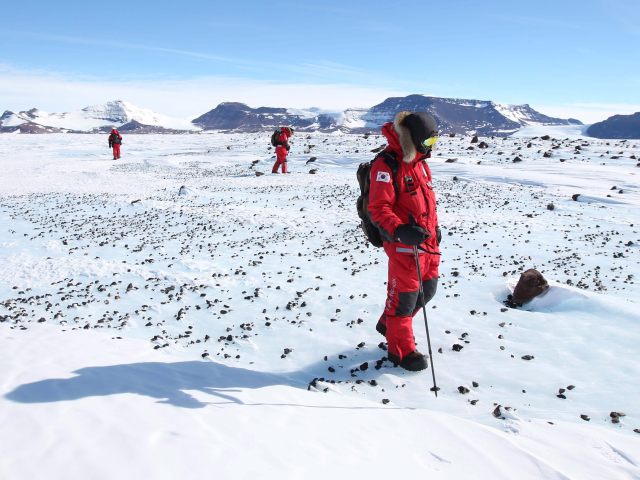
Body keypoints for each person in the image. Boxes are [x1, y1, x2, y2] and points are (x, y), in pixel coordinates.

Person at [367, 111, 441, 371]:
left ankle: (389, 325)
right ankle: (400, 351)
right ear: (415, 138)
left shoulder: (420, 162)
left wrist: (436, 229)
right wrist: (400, 231)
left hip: (428, 245)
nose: (432, 147)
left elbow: (425, 202)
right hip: (404, 248)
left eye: (435, 142)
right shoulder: (386, 165)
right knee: (403, 302)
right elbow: (378, 207)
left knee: (427, 291)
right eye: (429, 142)